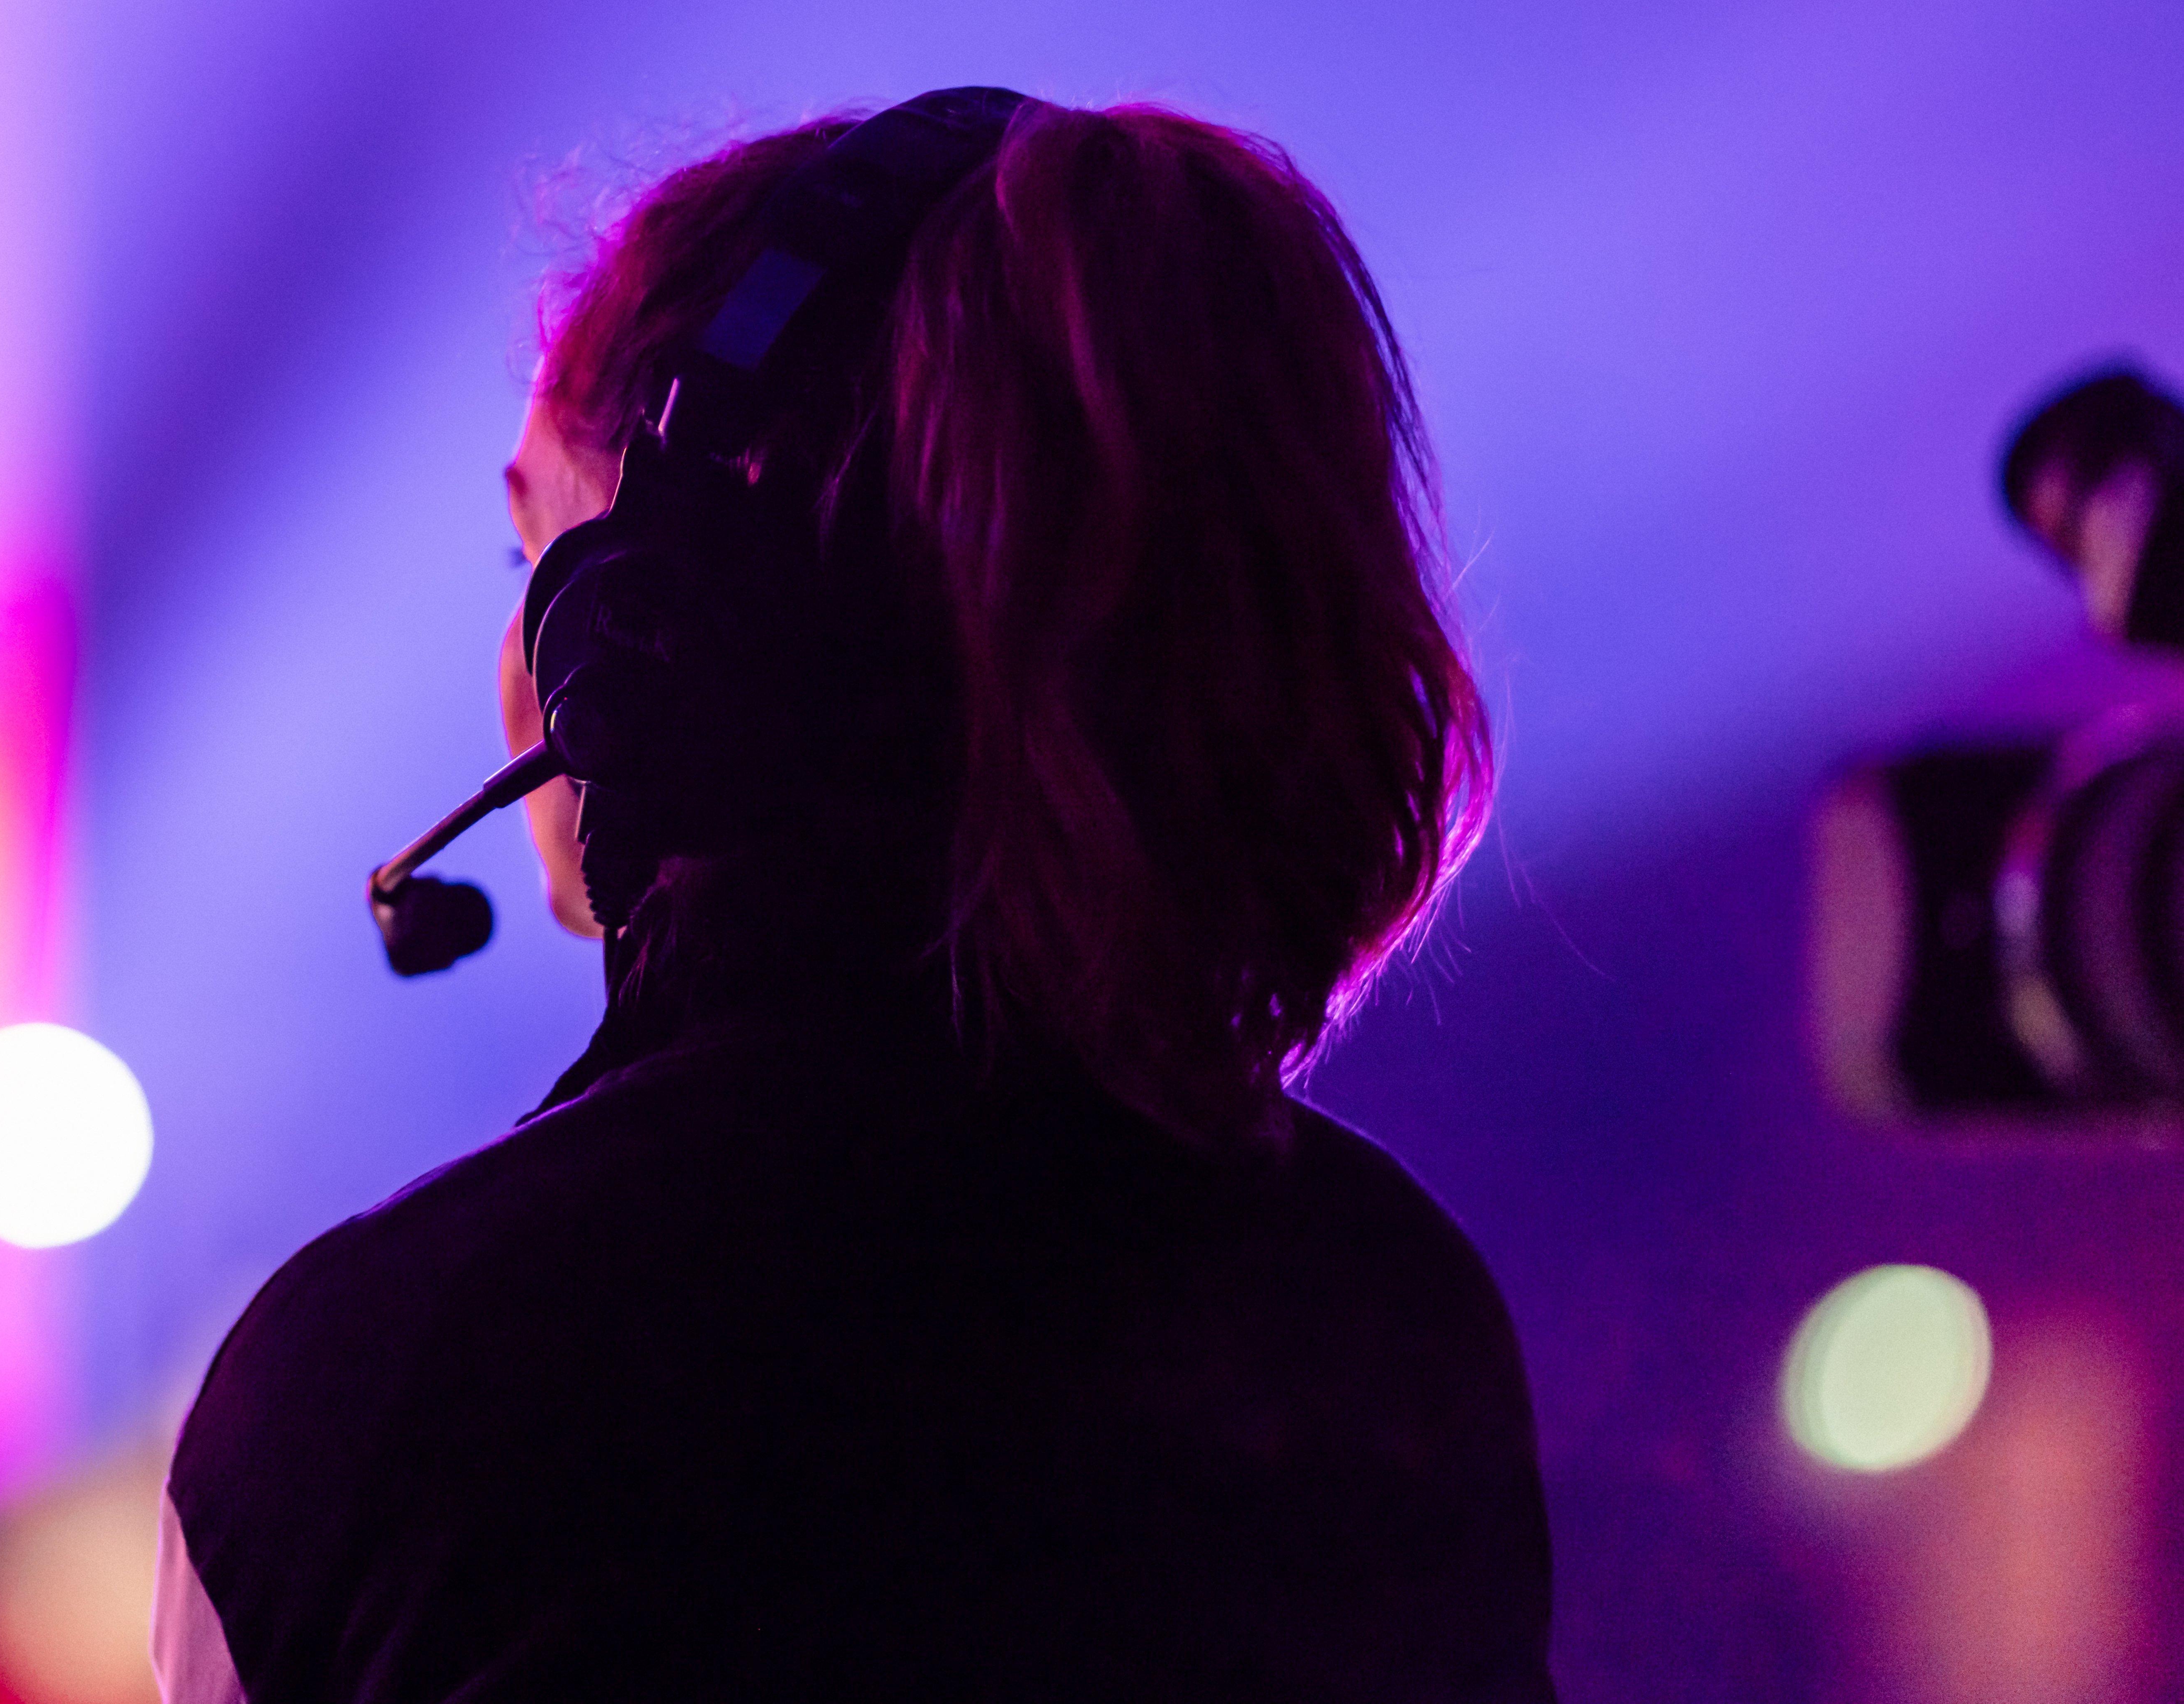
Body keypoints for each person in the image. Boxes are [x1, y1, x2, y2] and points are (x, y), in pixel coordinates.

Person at [155, 95, 1556, 1702]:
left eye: (537, 557)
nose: (519, 659)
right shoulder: (1389, 1311)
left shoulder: (382, 1382)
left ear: (646, 628)